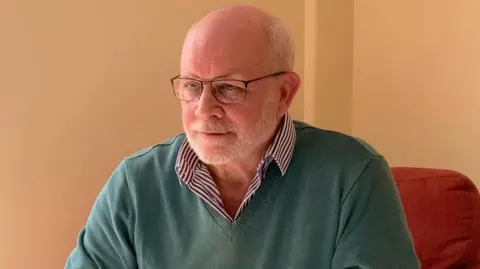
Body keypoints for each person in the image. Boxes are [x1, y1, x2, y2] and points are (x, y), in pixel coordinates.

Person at [65, 4, 420, 269]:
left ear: (284, 93)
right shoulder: (135, 184)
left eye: (229, 88)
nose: (204, 109)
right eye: (192, 86)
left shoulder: (353, 175)